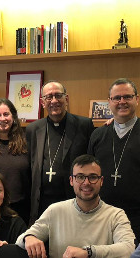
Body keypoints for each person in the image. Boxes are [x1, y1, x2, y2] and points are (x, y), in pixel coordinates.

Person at [16, 154, 135, 258]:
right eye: (80, 177)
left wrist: (88, 252)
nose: (86, 183)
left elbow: (129, 249)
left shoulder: (116, 215)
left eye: (93, 177)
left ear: (101, 181)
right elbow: (22, 239)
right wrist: (29, 238)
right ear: (71, 181)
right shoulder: (55, 210)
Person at [88, 78, 140, 242]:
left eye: (127, 97)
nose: (122, 102)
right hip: (101, 218)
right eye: (116, 98)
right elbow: (88, 177)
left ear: (137, 99)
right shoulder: (98, 135)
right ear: (109, 102)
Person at [26, 80, 95, 224]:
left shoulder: (84, 125)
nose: (54, 101)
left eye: (58, 95)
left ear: (67, 99)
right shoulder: (33, 129)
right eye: (48, 97)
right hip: (41, 205)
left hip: (72, 201)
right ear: (42, 102)